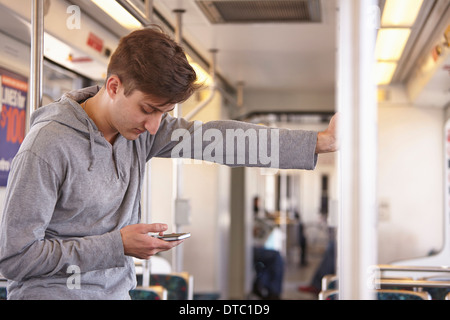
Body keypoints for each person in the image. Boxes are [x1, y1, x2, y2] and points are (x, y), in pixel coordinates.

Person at [0, 25, 339, 300]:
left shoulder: (143, 133)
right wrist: (116, 244)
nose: (153, 126)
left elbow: (225, 141)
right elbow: (15, 258)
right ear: (114, 86)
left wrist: (320, 142)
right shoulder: (47, 146)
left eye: (163, 114)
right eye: (148, 109)